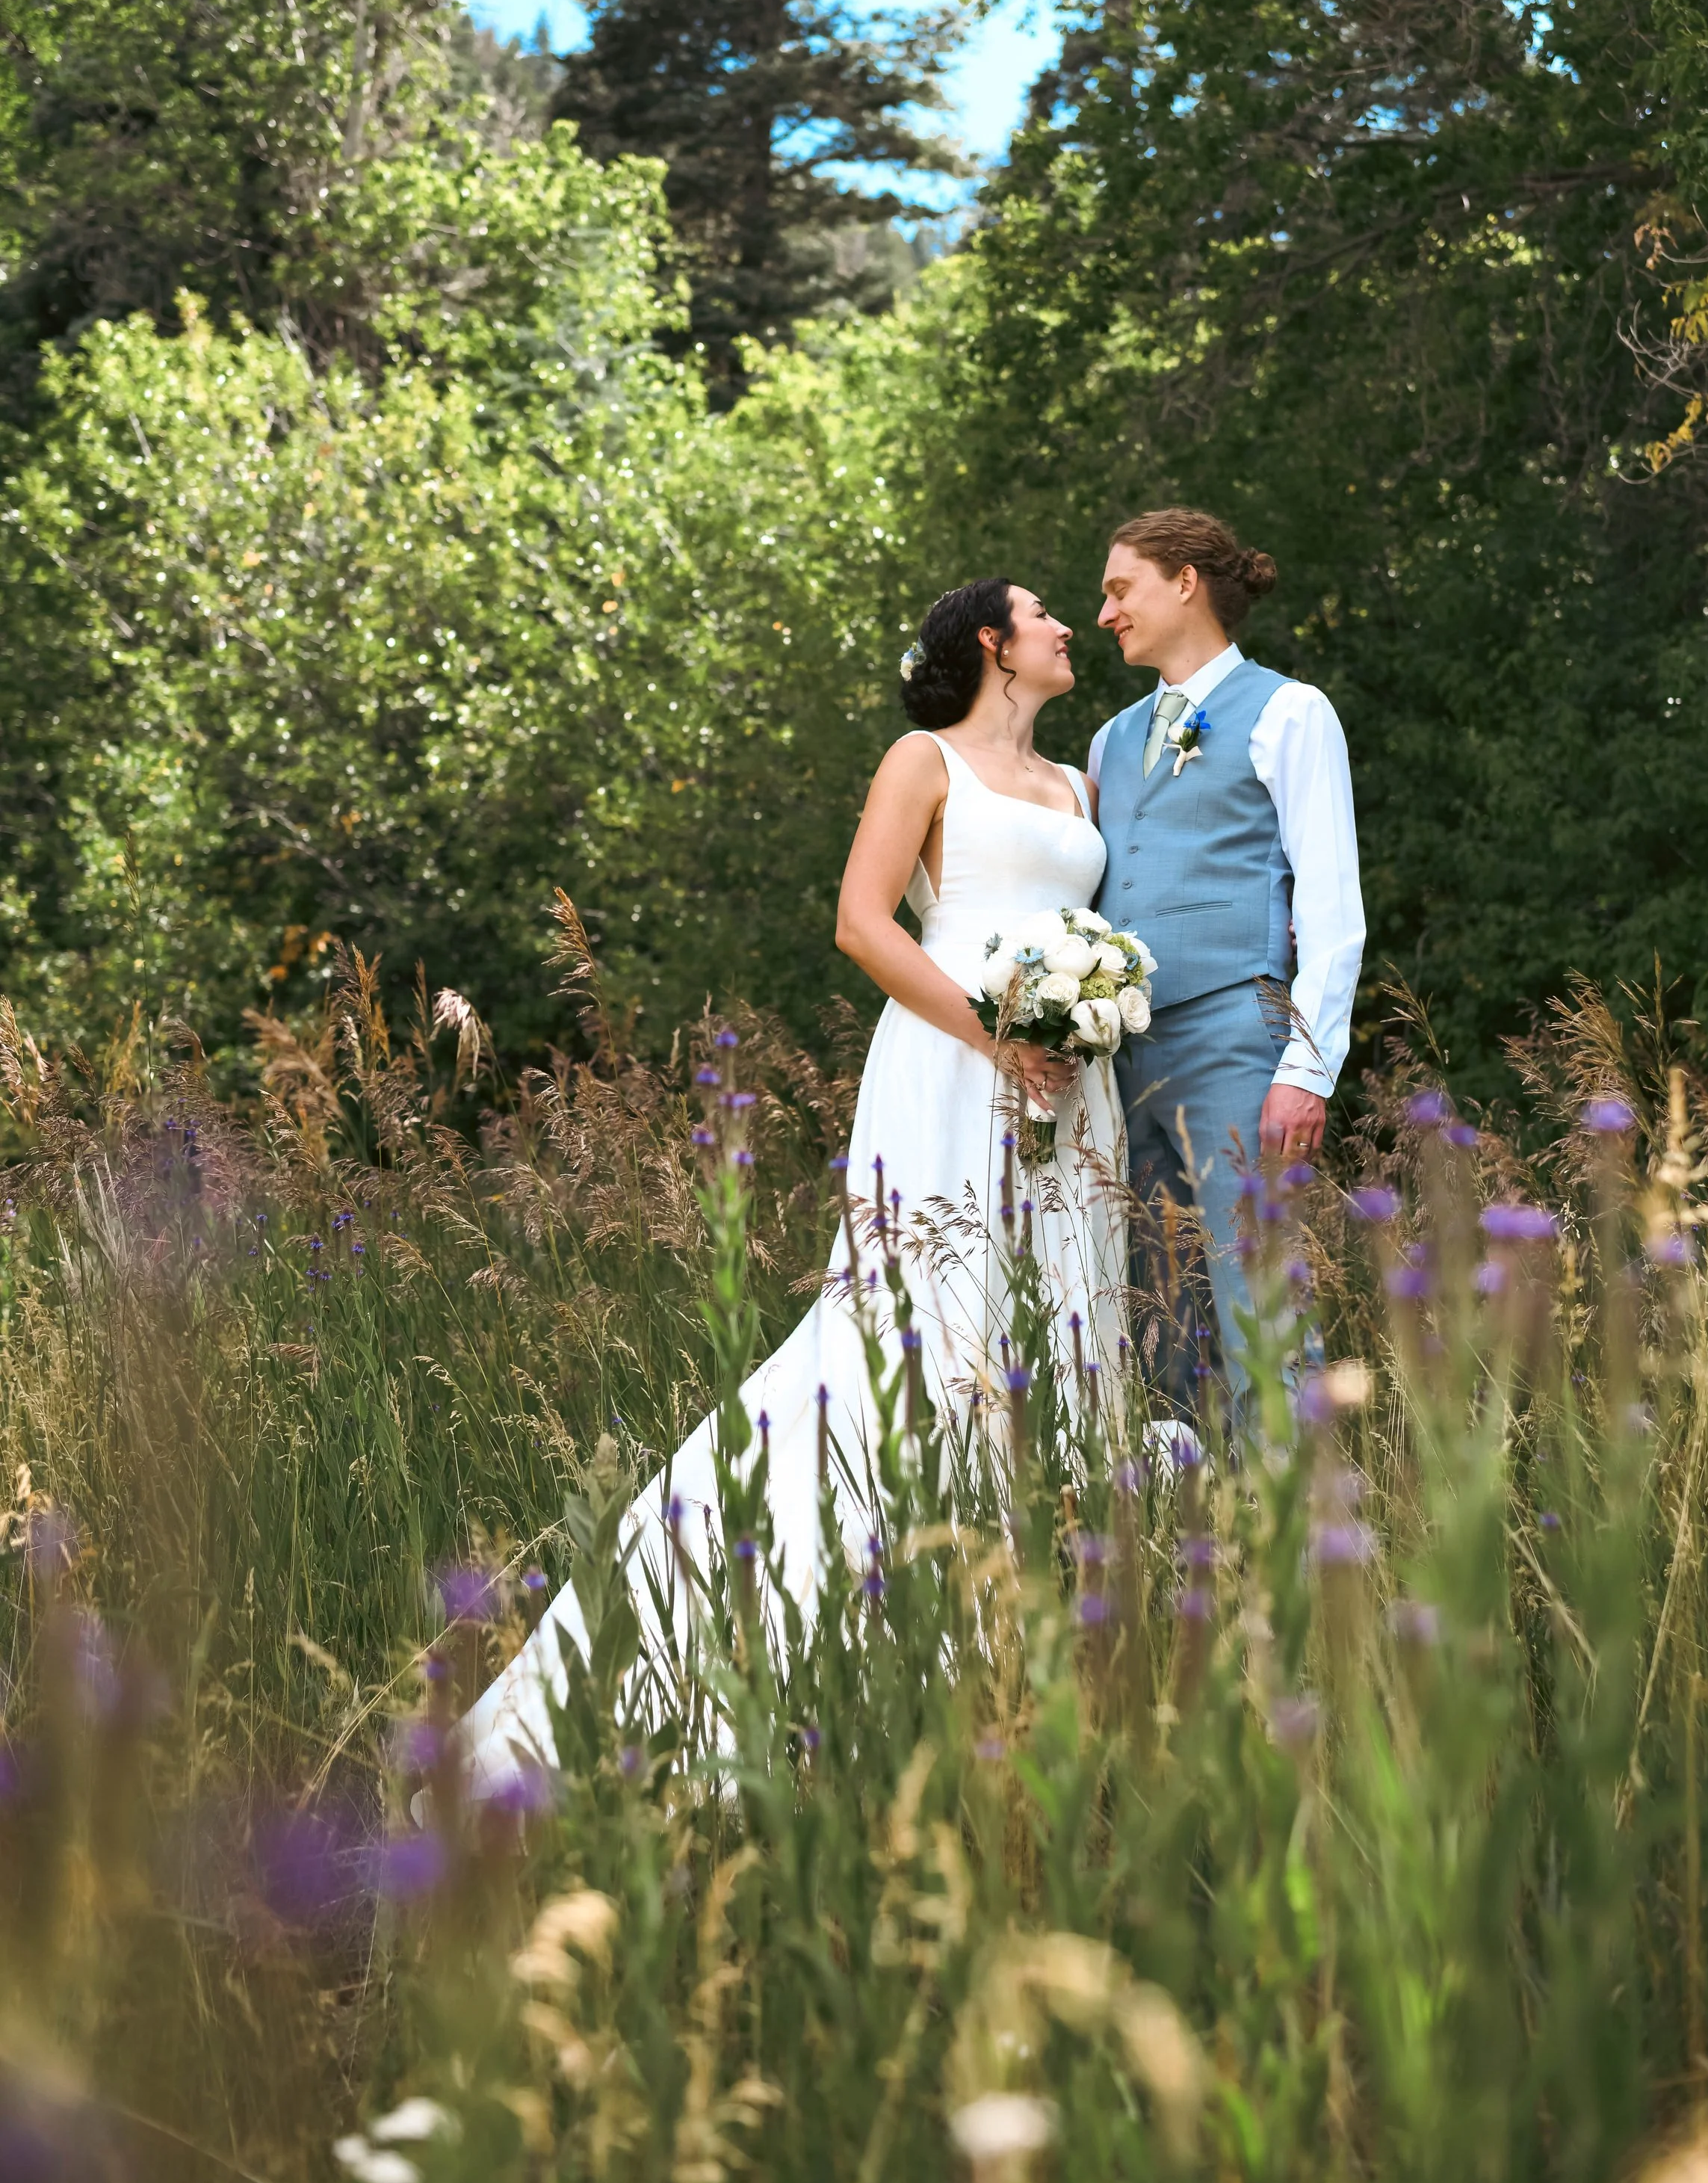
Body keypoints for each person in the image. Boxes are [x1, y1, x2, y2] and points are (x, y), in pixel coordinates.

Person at [454, 577, 1127, 1800]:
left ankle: (1012, 1644)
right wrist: (995, 1034)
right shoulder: (922, 761)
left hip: (1068, 1083)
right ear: (993, 642)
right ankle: (753, 1636)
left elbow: (1089, 919)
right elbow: (863, 927)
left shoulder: (1083, 784)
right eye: (1044, 615)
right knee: (925, 1324)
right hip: (954, 1063)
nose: (1068, 627)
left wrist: (1083, 1019)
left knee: (1060, 1326)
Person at [1087, 509, 1364, 1407]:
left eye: (1118, 589)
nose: (1104, 613)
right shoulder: (1109, 739)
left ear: (1183, 582)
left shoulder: (1289, 711)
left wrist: (1307, 1069)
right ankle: (1185, 1524)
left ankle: (1298, 1523)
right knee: (1151, 1302)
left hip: (1236, 1038)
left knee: (1260, 1294)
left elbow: (1332, 908)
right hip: (1123, 1056)